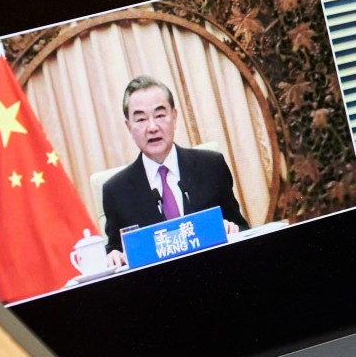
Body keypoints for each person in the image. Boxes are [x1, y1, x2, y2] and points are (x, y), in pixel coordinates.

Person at [102, 75, 249, 266]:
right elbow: (115, 251)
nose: (152, 127)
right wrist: (114, 256)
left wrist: (232, 229)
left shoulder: (211, 166)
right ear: (129, 126)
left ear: (174, 116)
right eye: (140, 119)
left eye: (160, 115)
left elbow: (243, 229)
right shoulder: (116, 191)